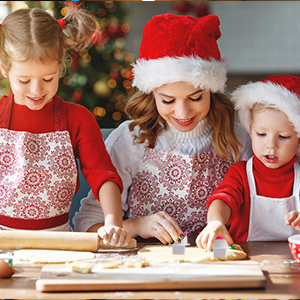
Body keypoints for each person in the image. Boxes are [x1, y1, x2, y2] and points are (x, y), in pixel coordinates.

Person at [73, 13, 252, 245]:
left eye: (196, 97)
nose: (183, 112)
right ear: (152, 94)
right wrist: (136, 225)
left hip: (215, 265)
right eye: (168, 101)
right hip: (145, 270)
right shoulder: (130, 141)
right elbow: (86, 225)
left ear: (211, 89)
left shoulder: (238, 140)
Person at [0, 7, 130, 247]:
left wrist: (113, 221)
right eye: (24, 80)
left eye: (48, 79)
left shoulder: (77, 118)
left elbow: (103, 175)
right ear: (4, 69)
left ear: (61, 67)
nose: (37, 90)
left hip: (60, 243)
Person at [197, 74, 300, 252]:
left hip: (290, 261)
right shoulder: (241, 173)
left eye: (283, 137)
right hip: (245, 257)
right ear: (250, 129)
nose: (271, 145)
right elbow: (223, 199)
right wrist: (215, 222)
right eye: (261, 134)